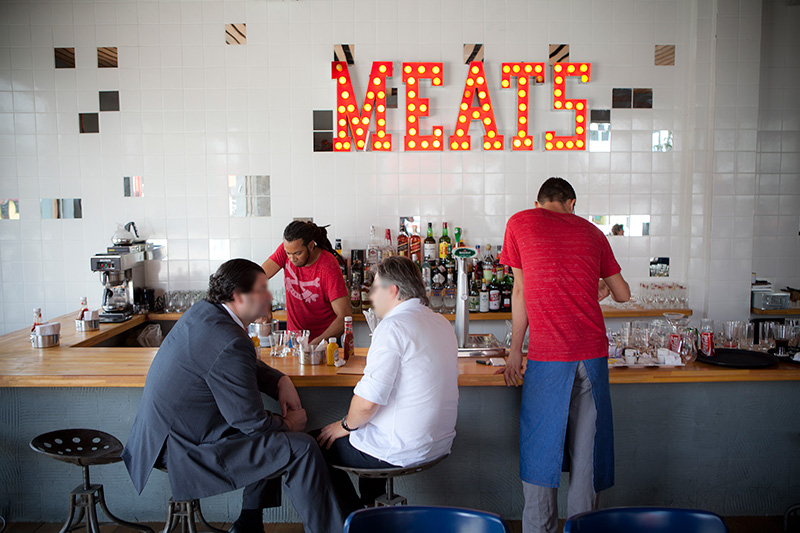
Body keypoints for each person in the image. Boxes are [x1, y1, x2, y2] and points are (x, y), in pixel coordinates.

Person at [122, 259, 345, 533]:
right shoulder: (230, 340)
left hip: (163, 436)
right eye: (262, 289)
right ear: (239, 296)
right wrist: (289, 424)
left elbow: (232, 361)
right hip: (184, 448)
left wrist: (279, 381)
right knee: (301, 446)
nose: (269, 296)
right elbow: (251, 422)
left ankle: (247, 524)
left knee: (275, 441)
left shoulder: (204, 312)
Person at [498, 177, 631, 533]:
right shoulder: (592, 232)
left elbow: (522, 288)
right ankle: (582, 528)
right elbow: (623, 293)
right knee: (587, 458)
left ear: (538, 201)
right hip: (592, 355)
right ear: (571, 203)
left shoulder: (520, 222)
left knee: (541, 452)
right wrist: (595, 292)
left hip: (548, 355)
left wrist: (514, 352)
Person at [315, 255, 459, 515]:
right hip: (439, 442)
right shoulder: (441, 323)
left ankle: (354, 519)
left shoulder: (392, 326)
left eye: (374, 288)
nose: (370, 296)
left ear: (392, 290)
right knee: (367, 429)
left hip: (402, 448)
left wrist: (344, 425)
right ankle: (373, 509)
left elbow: (368, 402)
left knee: (313, 446)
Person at [261, 221, 350, 346]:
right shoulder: (288, 249)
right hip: (292, 341)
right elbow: (257, 278)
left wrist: (316, 344)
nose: (292, 259)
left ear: (311, 246)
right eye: (288, 253)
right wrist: (264, 307)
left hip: (323, 343)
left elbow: (344, 316)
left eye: (298, 253)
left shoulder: (328, 266)